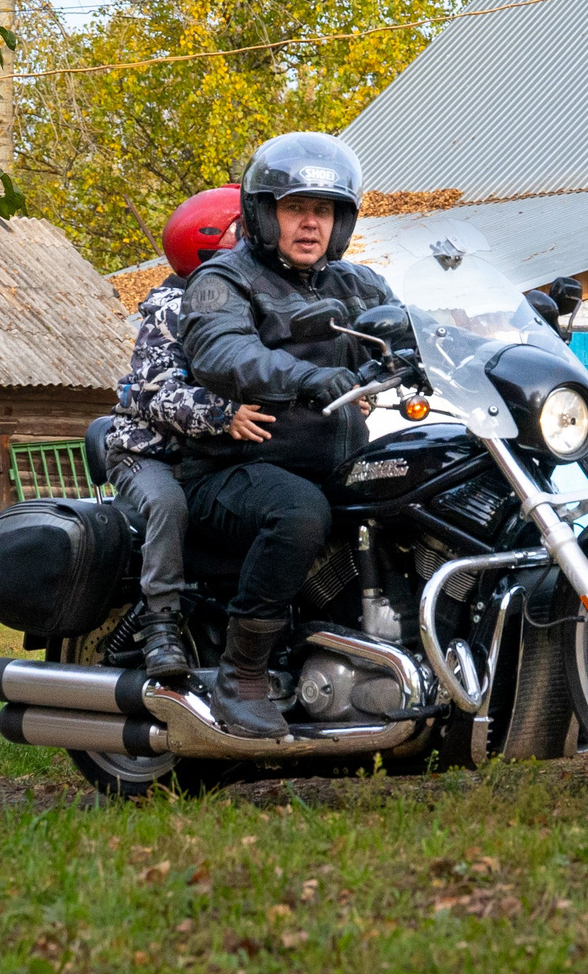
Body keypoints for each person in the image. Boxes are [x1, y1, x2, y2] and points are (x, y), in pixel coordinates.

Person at [179, 131, 398, 738]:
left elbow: (414, 331)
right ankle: (241, 674)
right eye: (295, 208)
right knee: (299, 511)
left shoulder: (359, 286)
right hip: (227, 473)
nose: (310, 224)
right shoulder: (223, 279)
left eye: (323, 210)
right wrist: (306, 376)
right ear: (263, 213)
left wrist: (508, 329)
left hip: (336, 463)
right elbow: (222, 351)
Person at [105, 185, 273, 683]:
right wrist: (225, 415)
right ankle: (160, 622)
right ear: (213, 245)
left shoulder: (251, 301)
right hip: (150, 453)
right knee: (168, 505)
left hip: (211, 455)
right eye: (248, 231)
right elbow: (159, 394)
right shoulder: (170, 309)